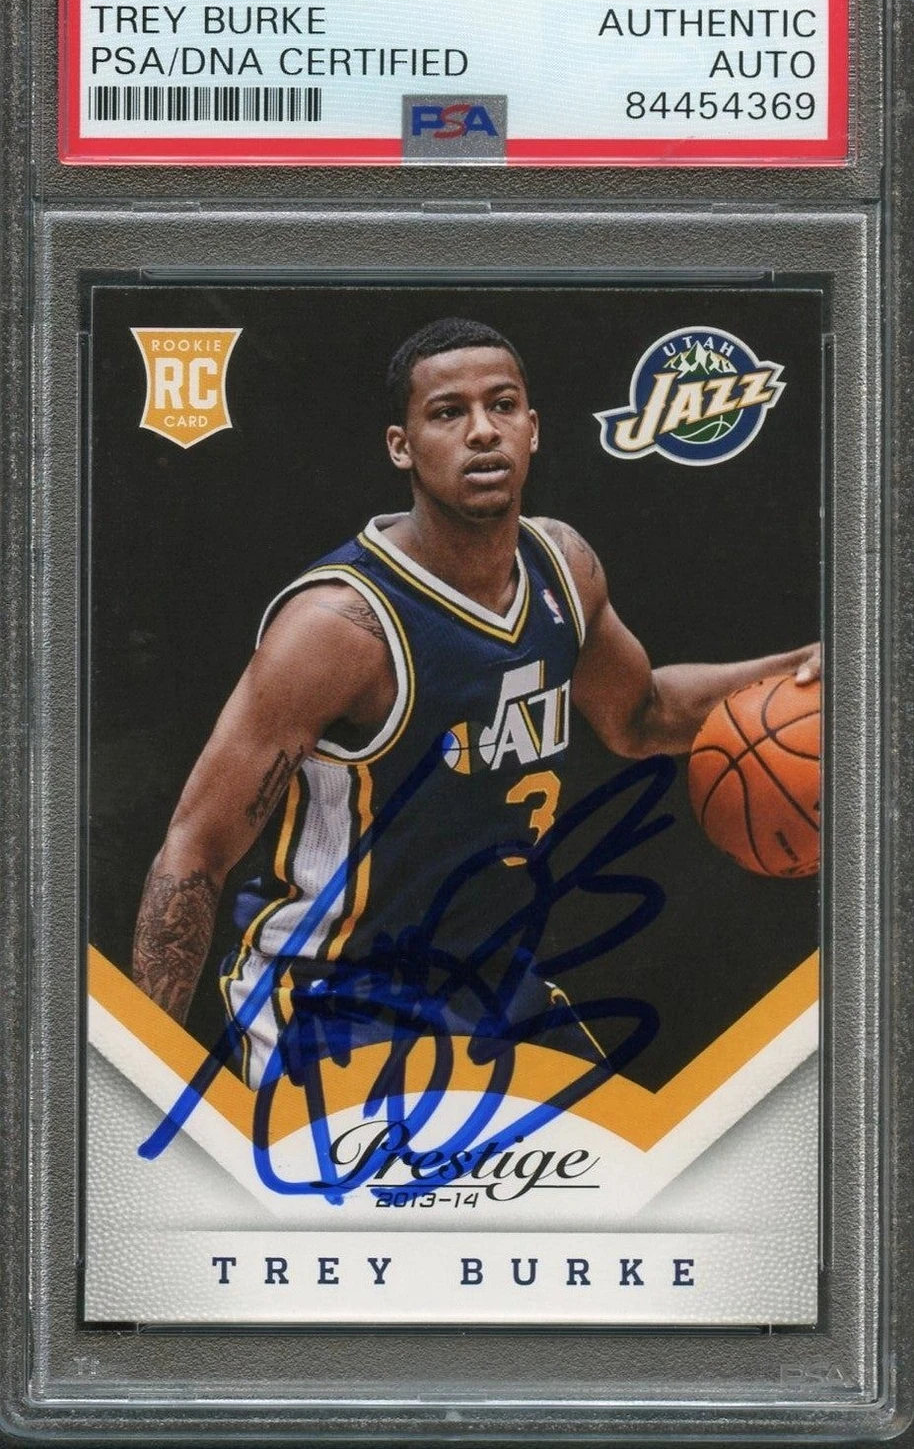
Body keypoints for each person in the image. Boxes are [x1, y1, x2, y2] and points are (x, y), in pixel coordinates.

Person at [132, 316, 820, 1088]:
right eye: (448, 412)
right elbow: (194, 850)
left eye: (502, 405)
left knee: (635, 1157)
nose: (483, 430)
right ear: (402, 446)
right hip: (337, 996)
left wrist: (803, 667)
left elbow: (644, 715)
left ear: (534, 429)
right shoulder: (338, 627)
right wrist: (142, 1083)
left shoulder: (564, 568)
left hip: (492, 986)